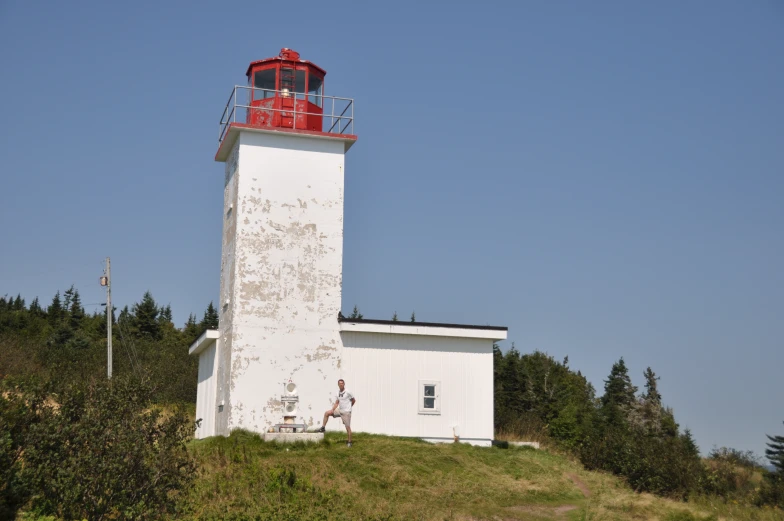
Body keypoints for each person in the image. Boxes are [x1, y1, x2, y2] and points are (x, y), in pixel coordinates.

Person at [318, 379, 355, 446]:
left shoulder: (348, 392)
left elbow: (354, 400)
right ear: (338, 385)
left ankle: (349, 442)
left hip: (346, 412)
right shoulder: (337, 392)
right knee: (327, 413)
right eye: (339, 383)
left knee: (347, 427)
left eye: (342, 383)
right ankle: (323, 428)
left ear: (344, 384)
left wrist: (349, 407)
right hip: (339, 410)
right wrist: (332, 409)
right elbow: (337, 402)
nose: (341, 384)